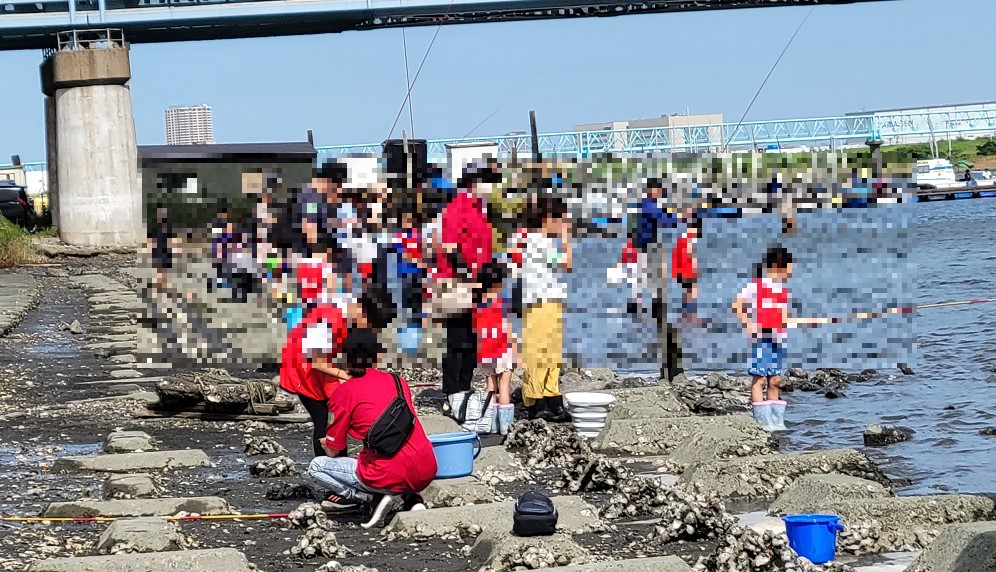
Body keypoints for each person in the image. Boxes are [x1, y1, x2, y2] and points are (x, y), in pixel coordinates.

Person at [308, 328, 436, 529]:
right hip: (426, 467)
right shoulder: (398, 381)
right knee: (395, 455)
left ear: (345, 358)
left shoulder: (343, 393)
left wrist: (327, 444)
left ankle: (370, 498)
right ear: (378, 355)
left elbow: (334, 449)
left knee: (316, 466)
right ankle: (411, 499)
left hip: (386, 473)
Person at [434, 163, 495, 402]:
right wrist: (468, 276)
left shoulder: (480, 208)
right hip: (456, 280)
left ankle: (464, 386)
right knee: (457, 338)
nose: (489, 187)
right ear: (473, 182)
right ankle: (452, 390)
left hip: (476, 279)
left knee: (471, 338)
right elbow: (450, 248)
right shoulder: (457, 207)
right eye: (486, 181)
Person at [521, 194, 572, 421]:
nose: (563, 223)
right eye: (560, 219)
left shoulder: (541, 241)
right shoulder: (536, 241)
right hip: (538, 302)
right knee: (539, 351)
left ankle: (551, 397)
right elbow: (567, 263)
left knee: (552, 352)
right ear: (548, 218)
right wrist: (565, 237)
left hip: (550, 300)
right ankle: (537, 399)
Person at [732, 245, 794, 432]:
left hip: (777, 340)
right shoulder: (756, 286)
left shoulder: (783, 291)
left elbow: (782, 316)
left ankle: (776, 421)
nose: (790, 273)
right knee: (759, 379)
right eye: (789, 268)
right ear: (778, 266)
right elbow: (737, 306)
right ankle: (762, 422)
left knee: (775, 380)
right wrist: (749, 324)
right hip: (760, 340)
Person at [473, 261, 517, 435]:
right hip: (502, 347)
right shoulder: (501, 302)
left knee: (490, 386)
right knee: (504, 386)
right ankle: (505, 428)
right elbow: (508, 327)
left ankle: (489, 424)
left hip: (485, 349)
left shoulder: (478, 303)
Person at [671, 216, 700, 323]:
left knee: (686, 293)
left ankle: (684, 315)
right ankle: (691, 316)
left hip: (679, 270)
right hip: (687, 270)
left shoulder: (681, 239)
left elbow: (676, 255)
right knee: (692, 293)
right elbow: (690, 254)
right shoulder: (689, 239)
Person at [147, 207, 174, 292]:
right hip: (157, 248)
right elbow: (150, 238)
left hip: (166, 248)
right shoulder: (154, 226)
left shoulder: (168, 226)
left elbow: (172, 238)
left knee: (166, 267)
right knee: (159, 267)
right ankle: (160, 284)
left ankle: (165, 284)